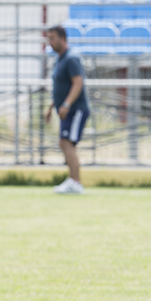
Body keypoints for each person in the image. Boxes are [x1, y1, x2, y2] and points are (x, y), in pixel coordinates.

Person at [46, 25, 89, 195]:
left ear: (63, 38)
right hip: (67, 109)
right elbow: (60, 87)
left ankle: (75, 182)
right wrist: (51, 107)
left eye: (53, 38)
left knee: (66, 143)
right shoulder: (60, 59)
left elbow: (78, 83)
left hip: (76, 109)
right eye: (48, 38)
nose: (50, 42)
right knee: (65, 143)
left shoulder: (71, 58)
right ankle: (73, 180)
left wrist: (66, 104)